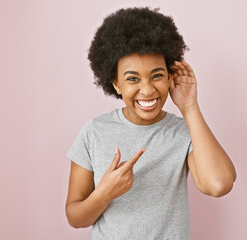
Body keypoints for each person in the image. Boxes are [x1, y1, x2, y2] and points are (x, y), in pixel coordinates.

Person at [65, 7, 236, 239]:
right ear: (116, 84)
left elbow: (218, 185)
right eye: (132, 79)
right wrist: (104, 193)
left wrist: (189, 107)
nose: (147, 90)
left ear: (169, 77)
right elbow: (75, 218)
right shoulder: (94, 132)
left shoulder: (186, 132)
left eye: (156, 75)